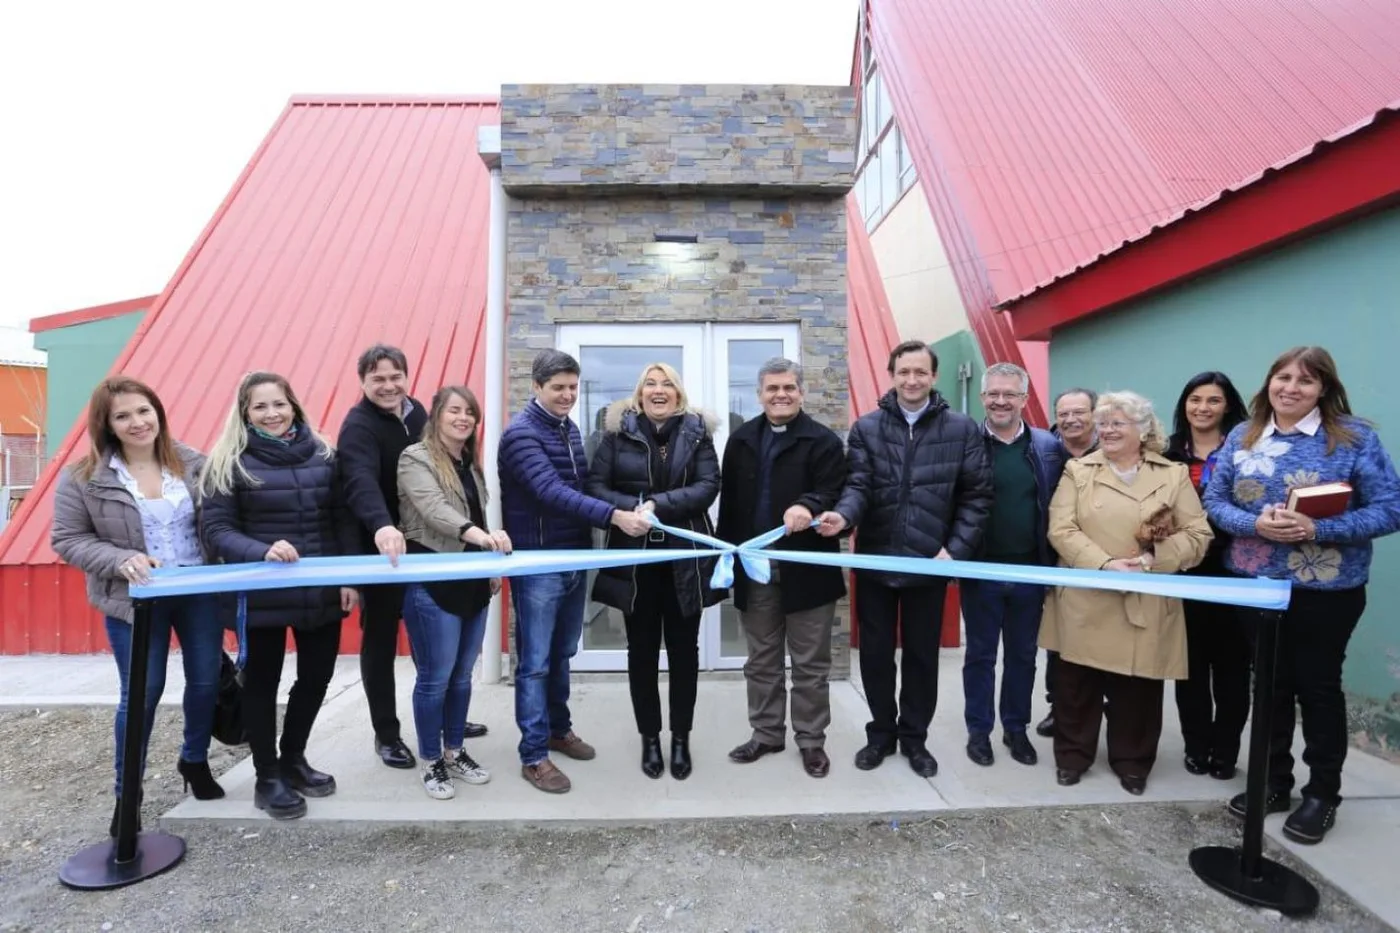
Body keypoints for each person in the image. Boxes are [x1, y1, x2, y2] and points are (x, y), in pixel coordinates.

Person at [1204, 347, 1400, 844]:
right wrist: (1254, 524)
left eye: (1306, 382)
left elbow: (1390, 508)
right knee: (1269, 687)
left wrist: (1318, 527)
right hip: (1254, 584)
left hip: (1326, 589)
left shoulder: (1354, 439)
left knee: (1317, 688)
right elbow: (1214, 500)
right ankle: (1273, 783)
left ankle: (1322, 795)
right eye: (1283, 377)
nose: (1291, 388)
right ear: (1268, 382)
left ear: (1324, 390)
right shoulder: (1242, 435)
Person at [52, 377, 224, 836]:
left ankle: (194, 760)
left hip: (198, 592)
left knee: (207, 681)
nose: (137, 422)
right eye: (123, 415)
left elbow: (224, 520)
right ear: (106, 424)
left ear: (159, 413)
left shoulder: (194, 465)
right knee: (143, 694)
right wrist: (119, 558)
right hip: (134, 600)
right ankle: (127, 793)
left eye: (144, 411)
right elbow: (67, 540)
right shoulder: (83, 478)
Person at [817, 340, 992, 777]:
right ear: (891, 376)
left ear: (934, 377)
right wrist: (843, 517)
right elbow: (858, 485)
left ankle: (915, 740)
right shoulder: (867, 428)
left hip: (930, 564)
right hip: (876, 562)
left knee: (920, 659)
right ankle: (880, 736)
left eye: (920, 372)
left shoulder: (962, 429)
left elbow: (977, 496)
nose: (911, 380)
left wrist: (955, 549)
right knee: (875, 657)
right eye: (903, 372)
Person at [201, 372, 359, 820]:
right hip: (260, 593)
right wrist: (262, 552)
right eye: (260, 407)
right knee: (262, 687)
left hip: (321, 588)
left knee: (316, 678)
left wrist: (350, 578)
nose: (272, 414)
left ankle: (293, 758)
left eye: (279, 404)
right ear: (244, 413)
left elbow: (342, 521)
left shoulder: (324, 455)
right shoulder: (228, 462)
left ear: (294, 405)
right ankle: (266, 777)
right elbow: (215, 530)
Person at [1041, 391, 1212, 795]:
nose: (1108, 430)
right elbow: (1061, 529)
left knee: (1138, 688)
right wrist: (1104, 565)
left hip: (1145, 595)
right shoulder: (1078, 471)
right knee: (1076, 686)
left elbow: (1198, 534)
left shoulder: (1170, 474)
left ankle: (1133, 762)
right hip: (1088, 593)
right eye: (1104, 423)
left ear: (1143, 429)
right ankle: (1072, 757)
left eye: (1119, 422)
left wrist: (1154, 560)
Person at [499, 350, 653, 793]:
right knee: (534, 664)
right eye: (558, 388)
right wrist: (614, 517)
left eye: (572, 387)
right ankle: (533, 755)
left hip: (572, 558)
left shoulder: (566, 429)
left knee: (562, 652)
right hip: (539, 562)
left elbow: (583, 488)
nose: (567, 395)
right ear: (536, 387)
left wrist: (630, 504)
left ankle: (557, 729)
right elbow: (550, 492)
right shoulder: (521, 435)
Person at [585, 364, 723, 780]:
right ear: (639, 393)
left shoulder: (697, 433)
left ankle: (680, 738)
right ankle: (650, 738)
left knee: (685, 654)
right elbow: (596, 486)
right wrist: (626, 512)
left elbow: (707, 486)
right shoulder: (616, 435)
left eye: (667, 384)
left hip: (685, 560)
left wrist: (658, 505)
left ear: (678, 395)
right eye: (651, 383)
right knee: (640, 654)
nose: (659, 391)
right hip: (635, 562)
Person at [719, 358, 847, 779]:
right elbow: (731, 506)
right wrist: (726, 560)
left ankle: (811, 740)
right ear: (760, 394)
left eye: (789, 388)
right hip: (756, 572)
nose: (781, 395)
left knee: (810, 664)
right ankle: (767, 733)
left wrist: (807, 505)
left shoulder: (823, 441)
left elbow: (834, 490)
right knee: (761, 660)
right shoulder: (740, 441)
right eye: (772, 388)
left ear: (802, 392)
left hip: (807, 570)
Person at [398, 386, 512, 800]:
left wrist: (488, 568)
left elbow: (478, 511)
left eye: (470, 413)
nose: (463, 418)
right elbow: (433, 510)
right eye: (455, 411)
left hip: (472, 582)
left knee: (462, 676)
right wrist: (480, 538)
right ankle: (431, 760)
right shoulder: (415, 458)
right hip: (433, 582)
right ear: (437, 415)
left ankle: (454, 750)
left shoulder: (470, 463)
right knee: (435, 678)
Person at [337, 344, 443, 771]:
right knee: (380, 643)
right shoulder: (358, 426)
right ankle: (387, 733)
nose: (388, 386)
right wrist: (382, 526)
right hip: (378, 551)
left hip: (425, 546)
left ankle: (440, 718)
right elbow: (359, 482)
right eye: (377, 378)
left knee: (434, 638)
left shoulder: (420, 415)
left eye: (394, 376)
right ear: (363, 382)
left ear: (406, 376)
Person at [960, 363, 1065, 769]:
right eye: (993, 394)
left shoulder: (1045, 447)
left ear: (1024, 399)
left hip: (1030, 572)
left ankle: (1016, 728)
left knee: (1022, 656)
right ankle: (979, 731)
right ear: (983, 397)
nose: (1000, 401)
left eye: (1009, 394)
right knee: (981, 655)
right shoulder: (966, 442)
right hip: (981, 572)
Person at [1164, 372, 1250, 780]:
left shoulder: (1248, 452)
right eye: (1195, 399)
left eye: (1213, 400)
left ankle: (1226, 752)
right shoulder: (1168, 454)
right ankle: (1196, 746)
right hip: (1185, 571)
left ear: (1227, 405)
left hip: (1237, 570)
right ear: (1185, 404)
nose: (1203, 408)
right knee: (1191, 667)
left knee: (1233, 669)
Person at [1037, 387, 1099, 739]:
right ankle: (1059, 708)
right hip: (1055, 558)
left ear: (1094, 414)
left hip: (1105, 560)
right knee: (1059, 641)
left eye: (1080, 412)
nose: (1071, 420)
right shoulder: (1045, 450)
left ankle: (1101, 708)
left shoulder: (1112, 449)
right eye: (1064, 413)